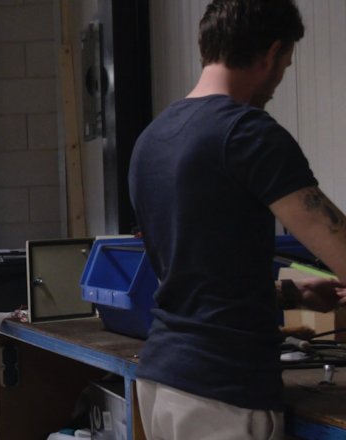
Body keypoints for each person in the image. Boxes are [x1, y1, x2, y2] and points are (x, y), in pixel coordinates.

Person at [129, 1, 346, 439]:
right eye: (285, 66)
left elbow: (191, 282)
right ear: (272, 52)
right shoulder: (249, 133)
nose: (279, 82)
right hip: (222, 392)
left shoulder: (152, 139)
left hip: (161, 382)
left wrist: (292, 293)